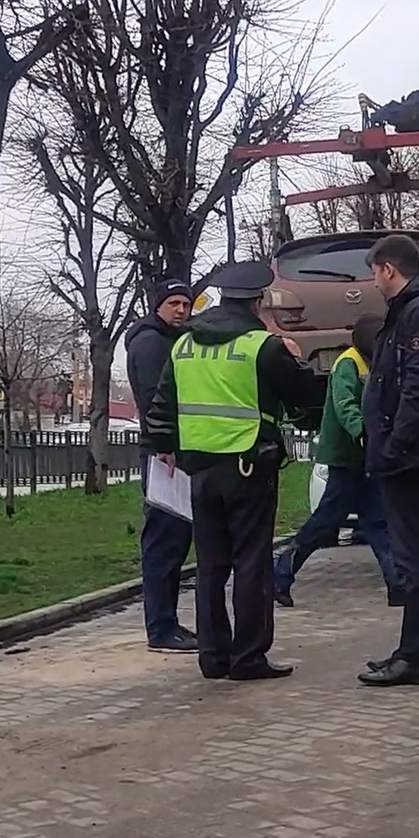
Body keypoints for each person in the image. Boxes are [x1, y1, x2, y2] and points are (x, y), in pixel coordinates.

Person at [146, 261, 322, 682]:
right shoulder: (262, 347)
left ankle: (213, 656)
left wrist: (165, 447)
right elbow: (304, 397)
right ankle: (247, 657)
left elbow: (162, 403)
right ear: (257, 303)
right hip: (248, 467)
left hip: (199, 471)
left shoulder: (184, 345)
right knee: (250, 563)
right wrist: (300, 363)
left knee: (210, 565)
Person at [359, 234, 419, 688]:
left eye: (374, 272)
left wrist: (396, 443)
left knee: (414, 560)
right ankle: (409, 652)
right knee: (410, 557)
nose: (373, 281)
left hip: (409, 457)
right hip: (402, 454)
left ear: (388, 269)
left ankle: (416, 659)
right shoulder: (410, 311)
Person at [274, 314, 403, 609]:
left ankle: (397, 584)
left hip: (365, 457)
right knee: (326, 523)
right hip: (346, 457)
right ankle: (280, 572)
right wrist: (365, 434)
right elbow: (345, 405)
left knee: (378, 523)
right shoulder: (348, 363)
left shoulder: (375, 363)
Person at [126, 279, 195, 652]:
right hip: (162, 454)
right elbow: (154, 397)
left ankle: (168, 624)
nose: (181, 310)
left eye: (186, 304)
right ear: (158, 306)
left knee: (175, 539)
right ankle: (161, 628)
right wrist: (164, 446)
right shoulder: (151, 342)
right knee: (164, 541)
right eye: (174, 304)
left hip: (171, 451)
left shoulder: (169, 338)